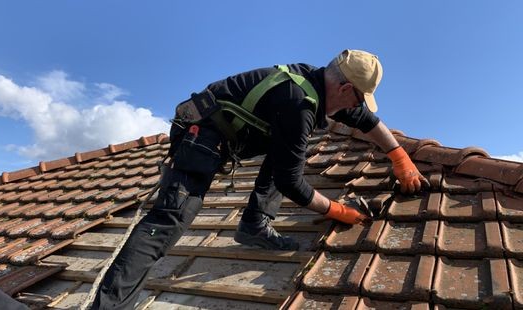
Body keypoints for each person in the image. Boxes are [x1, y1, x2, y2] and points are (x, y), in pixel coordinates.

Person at [91, 49, 429, 309]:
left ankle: (254, 225)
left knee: (286, 150)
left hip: (224, 135)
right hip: (200, 134)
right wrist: (336, 210)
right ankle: (109, 304)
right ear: (343, 87)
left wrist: (400, 157)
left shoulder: (316, 84)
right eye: (357, 97)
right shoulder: (298, 104)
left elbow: (368, 121)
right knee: (170, 220)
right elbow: (290, 182)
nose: (356, 106)